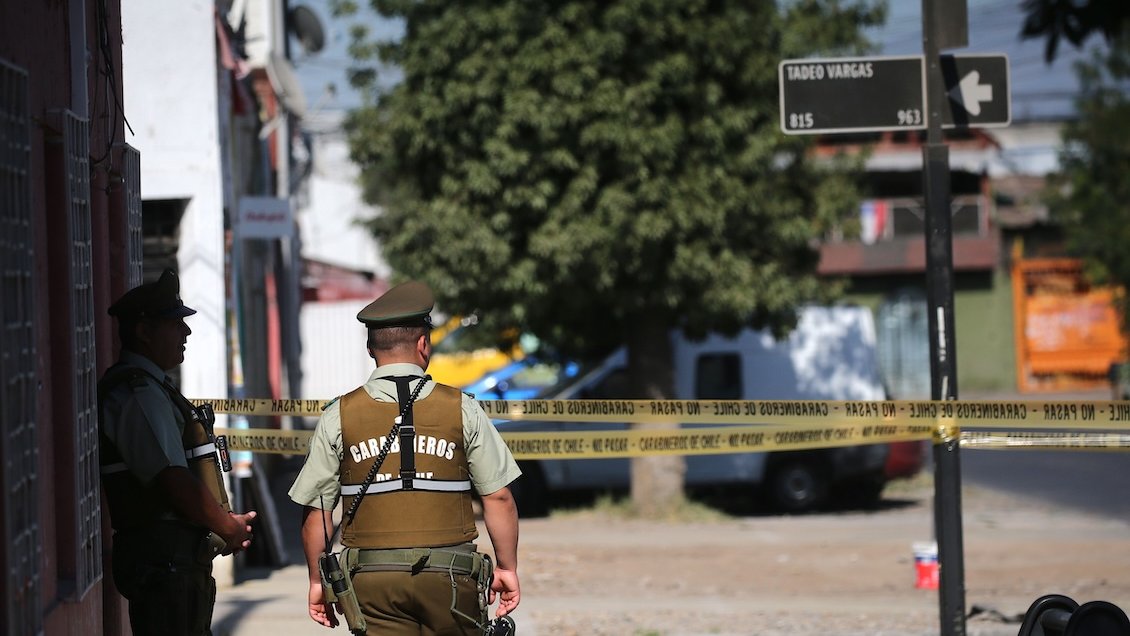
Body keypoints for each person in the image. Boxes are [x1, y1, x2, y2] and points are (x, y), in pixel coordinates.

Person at [289, 280, 522, 635]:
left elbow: (317, 512)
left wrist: (317, 581)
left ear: (371, 349)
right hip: (451, 580)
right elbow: (499, 496)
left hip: (371, 583)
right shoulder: (463, 409)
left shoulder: (339, 415)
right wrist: (507, 568)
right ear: (423, 344)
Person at [99, 268, 257, 636]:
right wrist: (227, 527)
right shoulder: (138, 395)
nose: (185, 332)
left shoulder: (154, 388)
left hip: (174, 563)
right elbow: (172, 478)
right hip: (162, 563)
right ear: (143, 331)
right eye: (174, 322)